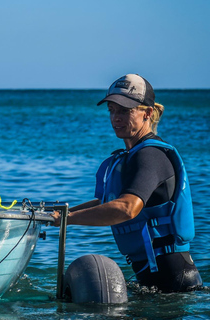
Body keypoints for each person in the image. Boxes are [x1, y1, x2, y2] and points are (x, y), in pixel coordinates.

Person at [51, 74, 202, 292]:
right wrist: (61, 215)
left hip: (174, 283)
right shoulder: (133, 155)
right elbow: (106, 202)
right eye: (111, 110)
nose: (116, 118)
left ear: (147, 113)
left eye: (124, 110)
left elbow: (127, 208)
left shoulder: (150, 155)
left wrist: (69, 220)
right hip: (158, 280)